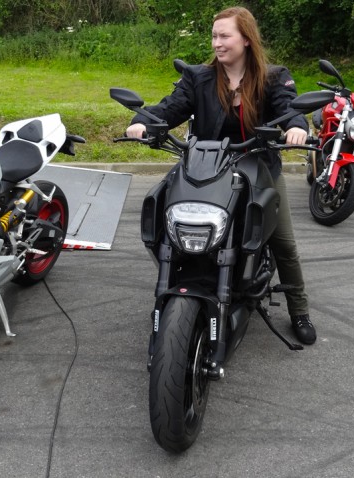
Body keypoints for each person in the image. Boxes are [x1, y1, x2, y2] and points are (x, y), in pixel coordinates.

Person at [125, 6, 316, 345]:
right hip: (205, 166)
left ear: (245, 39)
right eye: (214, 36)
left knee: (282, 241)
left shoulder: (273, 77)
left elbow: (290, 109)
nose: (216, 42)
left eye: (224, 35)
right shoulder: (199, 77)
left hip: (257, 166)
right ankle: (180, 286)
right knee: (162, 215)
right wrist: (145, 121)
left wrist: (296, 128)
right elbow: (171, 107)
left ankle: (299, 310)